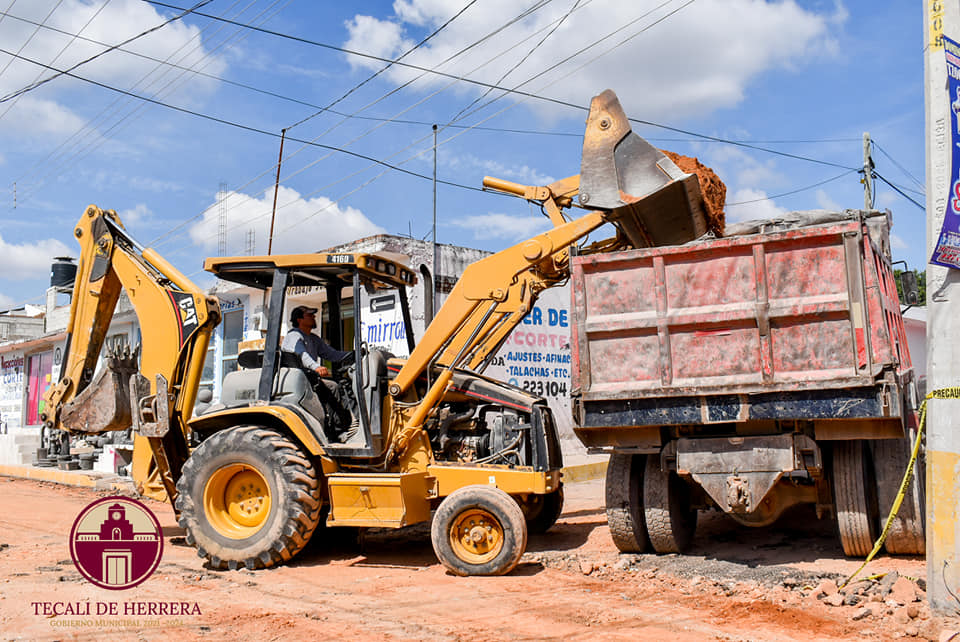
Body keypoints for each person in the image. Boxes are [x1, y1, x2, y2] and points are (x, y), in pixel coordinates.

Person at [281, 305, 358, 441]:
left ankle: (350, 423)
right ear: (299, 319)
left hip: (310, 378)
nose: (313, 317)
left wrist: (353, 355)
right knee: (334, 387)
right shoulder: (294, 336)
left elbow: (332, 355)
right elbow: (301, 354)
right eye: (309, 315)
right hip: (300, 380)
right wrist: (316, 367)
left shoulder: (314, 339)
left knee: (342, 383)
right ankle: (340, 430)